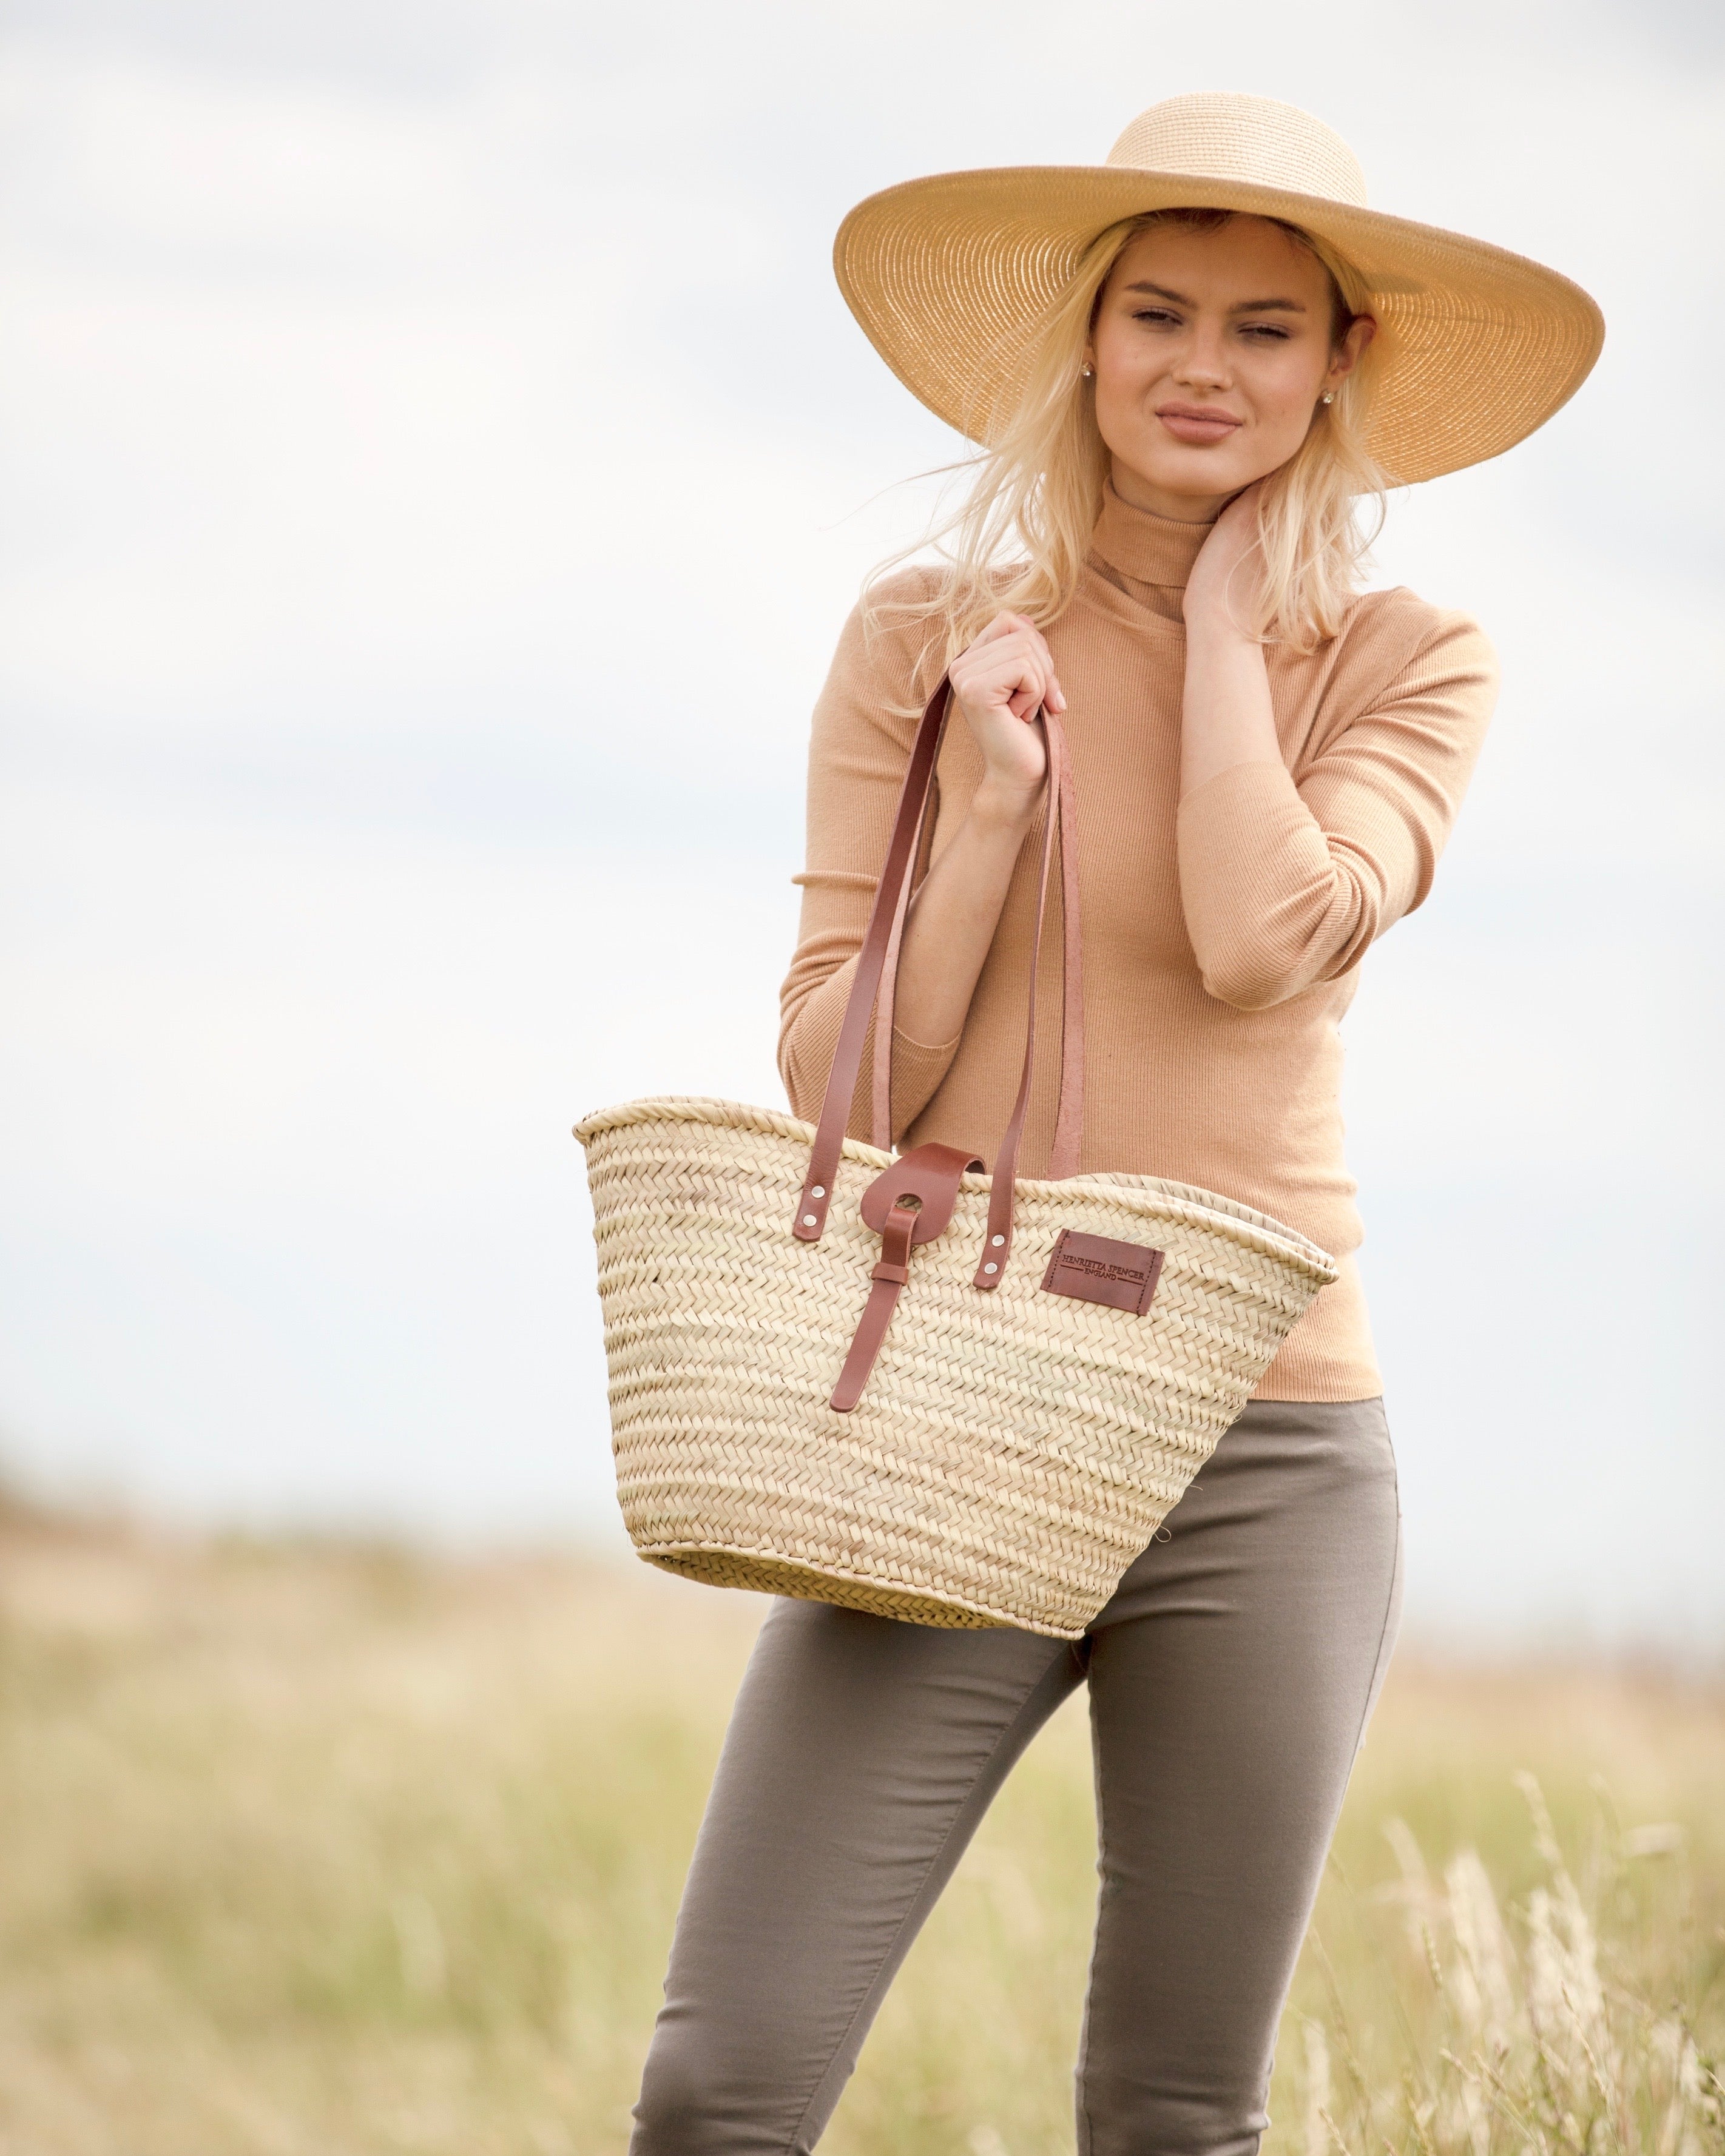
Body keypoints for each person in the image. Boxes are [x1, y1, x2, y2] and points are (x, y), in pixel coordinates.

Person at [629, 93, 1601, 2156]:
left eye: (1263, 327)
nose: (1200, 366)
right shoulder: (925, 638)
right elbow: (839, 1088)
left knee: (1172, 2111)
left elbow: (1260, 937)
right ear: (1086, 334)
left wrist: (1224, 628)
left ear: (1338, 360)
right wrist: (983, 813)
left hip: (1269, 1448)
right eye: (1156, 312)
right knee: (721, 2087)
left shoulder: (1406, 660)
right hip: (953, 1410)